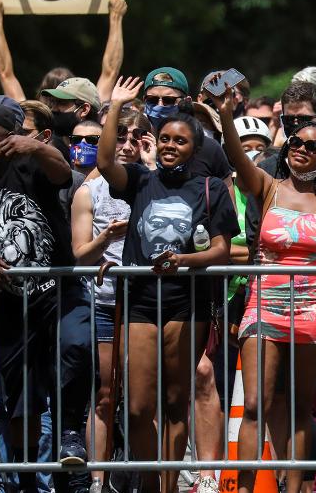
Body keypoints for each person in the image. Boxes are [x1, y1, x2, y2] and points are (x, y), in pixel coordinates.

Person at [0, 96, 92, 493]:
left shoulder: (31, 166)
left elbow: (63, 175)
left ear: (9, 138)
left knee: (76, 346)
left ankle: (72, 436)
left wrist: (38, 146)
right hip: (10, 305)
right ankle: (27, 481)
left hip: (59, 291)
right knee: (20, 402)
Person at [96, 76, 238, 492]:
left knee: (177, 403)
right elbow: (106, 164)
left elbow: (221, 252)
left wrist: (182, 261)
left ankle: (169, 484)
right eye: (165, 140)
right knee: (138, 406)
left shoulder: (210, 189)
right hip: (139, 302)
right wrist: (117, 107)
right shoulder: (141, 180)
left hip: (186, 303)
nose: (171, 146)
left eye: (180, 141)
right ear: (155, 144)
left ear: (195, 149)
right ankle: (149, 480)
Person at [215, 87, 316, 493]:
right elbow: (237, 159)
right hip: (264, 301)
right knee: (255, 404)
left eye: (313, 146)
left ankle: (293, 489)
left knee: (297, 405)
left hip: (311, 303)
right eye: (296, 142)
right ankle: (246, 486)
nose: (303, 150)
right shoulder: (269, 186)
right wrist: (225, 116)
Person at [70, 108, 151, 492]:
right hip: (104, 303)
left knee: (142, 398)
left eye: (137, 136)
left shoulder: (156, 183)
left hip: (149, 305)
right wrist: (105, 240)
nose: (128, 144)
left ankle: (143, 477)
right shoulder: (90, 189)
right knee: (105, 393)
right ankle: (98, 480)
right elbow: (80, 253)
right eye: (121, 135)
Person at [0, 0, 127, 104]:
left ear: (41, 94)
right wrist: (116, 17)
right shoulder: (89, 119)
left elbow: (5, 74)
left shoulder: (29, 119)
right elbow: (110, 72)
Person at [141, 67, 235, 183]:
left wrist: (226, 113)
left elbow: (227, 194)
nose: (160, 106)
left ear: (186, 101)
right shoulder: (134, 144)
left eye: (168, 100)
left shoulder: (208, 148)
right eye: (152, 100)